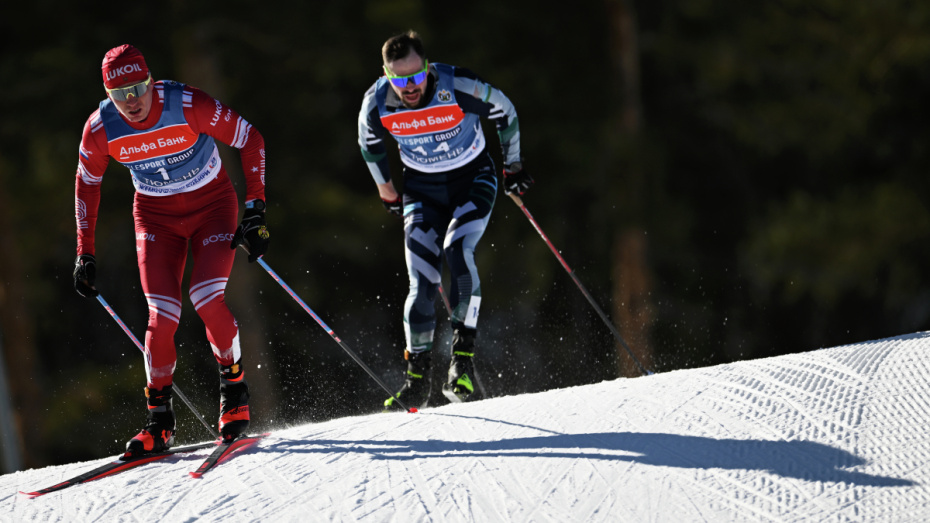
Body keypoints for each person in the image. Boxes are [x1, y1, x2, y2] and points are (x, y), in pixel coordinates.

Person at [72, 44, 270, 454]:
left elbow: (250, 138)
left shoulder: (188, 103)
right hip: (155, 219)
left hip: (212, 207)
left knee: (206, 298)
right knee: (161, 319)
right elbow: (87, 183)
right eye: (119, 94)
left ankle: (233, 390)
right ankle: (159, 420)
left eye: (139, 89)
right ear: (108, 95)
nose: (133, 102)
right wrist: (85, 251)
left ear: (151, 82)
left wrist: (255, 209)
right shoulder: (100, 128)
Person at [358, 31, 534, 410]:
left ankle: (462, 364)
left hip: (473, 179)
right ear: (386, 75)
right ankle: (416, 381)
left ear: (426, 66)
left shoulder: (457, 85)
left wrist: (513, 167)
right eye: (399, 79)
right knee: (421, 283)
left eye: (416, 75)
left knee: (457, 251)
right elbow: (368, 144)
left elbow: (504, 111)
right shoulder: (377, 101)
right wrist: (386, 190)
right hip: (422, 191)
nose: (410, 86)